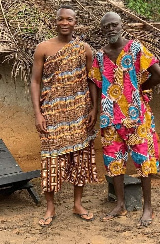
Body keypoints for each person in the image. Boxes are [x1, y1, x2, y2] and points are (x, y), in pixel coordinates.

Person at [88, 12, 160, 227]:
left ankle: (147, 207)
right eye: (107, 27)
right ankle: (120, 203)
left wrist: (138, 90)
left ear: (121, 26)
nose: (111, 29)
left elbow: (159, 76)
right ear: (102, 30)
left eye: (115, 25)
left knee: (143, 161)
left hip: (136, 117)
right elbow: (94, 82)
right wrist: (96, 108)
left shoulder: (135, 48)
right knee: (114, 162)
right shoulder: (100, 56)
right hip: (109, 117)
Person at [31, 5, 98, 226]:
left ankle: (77, 204)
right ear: (56, 22)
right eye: (61, 19)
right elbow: (35, 81)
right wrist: (38, 114)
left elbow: (91, 80)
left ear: (75, 22)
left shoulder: (84, 49)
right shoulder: (43, 48)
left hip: (79, 113)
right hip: (51, 113)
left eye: (69, 19)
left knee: (80, 159)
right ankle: (50, 208)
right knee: (51, 159)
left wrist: (94, 109)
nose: (65, 23)